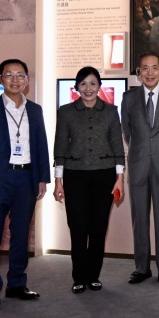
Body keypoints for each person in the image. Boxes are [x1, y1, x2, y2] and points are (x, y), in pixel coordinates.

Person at [0, 59, 51, 308]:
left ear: (27, 80)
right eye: (9, 75)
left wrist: (42, 177)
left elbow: (41, 145)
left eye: (20, 75)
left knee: (21, 235)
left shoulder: (35, 110)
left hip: (26, 179)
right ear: (0, 79)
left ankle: (17, 283)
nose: (15, 80)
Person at [52, 66, 125, 294]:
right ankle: (79, 276)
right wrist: (58, 180)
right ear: (76, 87)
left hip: (105, 175)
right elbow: (60, 148)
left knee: (98, 227)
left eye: (93, 83)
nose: (88, 88)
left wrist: (120, 178)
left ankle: (93, 275)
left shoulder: (111, 111)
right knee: (77, 227)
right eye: (83, 84)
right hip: (75, 176)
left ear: (99, 86)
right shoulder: (66, 112)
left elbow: (117, 147)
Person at [121, 51, 159, 284]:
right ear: (139, 72)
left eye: (154, 67)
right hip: (139, 166)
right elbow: (128, 132)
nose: (150, 72)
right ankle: (142, 268)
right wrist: (142, 151)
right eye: (144, 68)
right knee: (139, 219)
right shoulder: (129, 98)